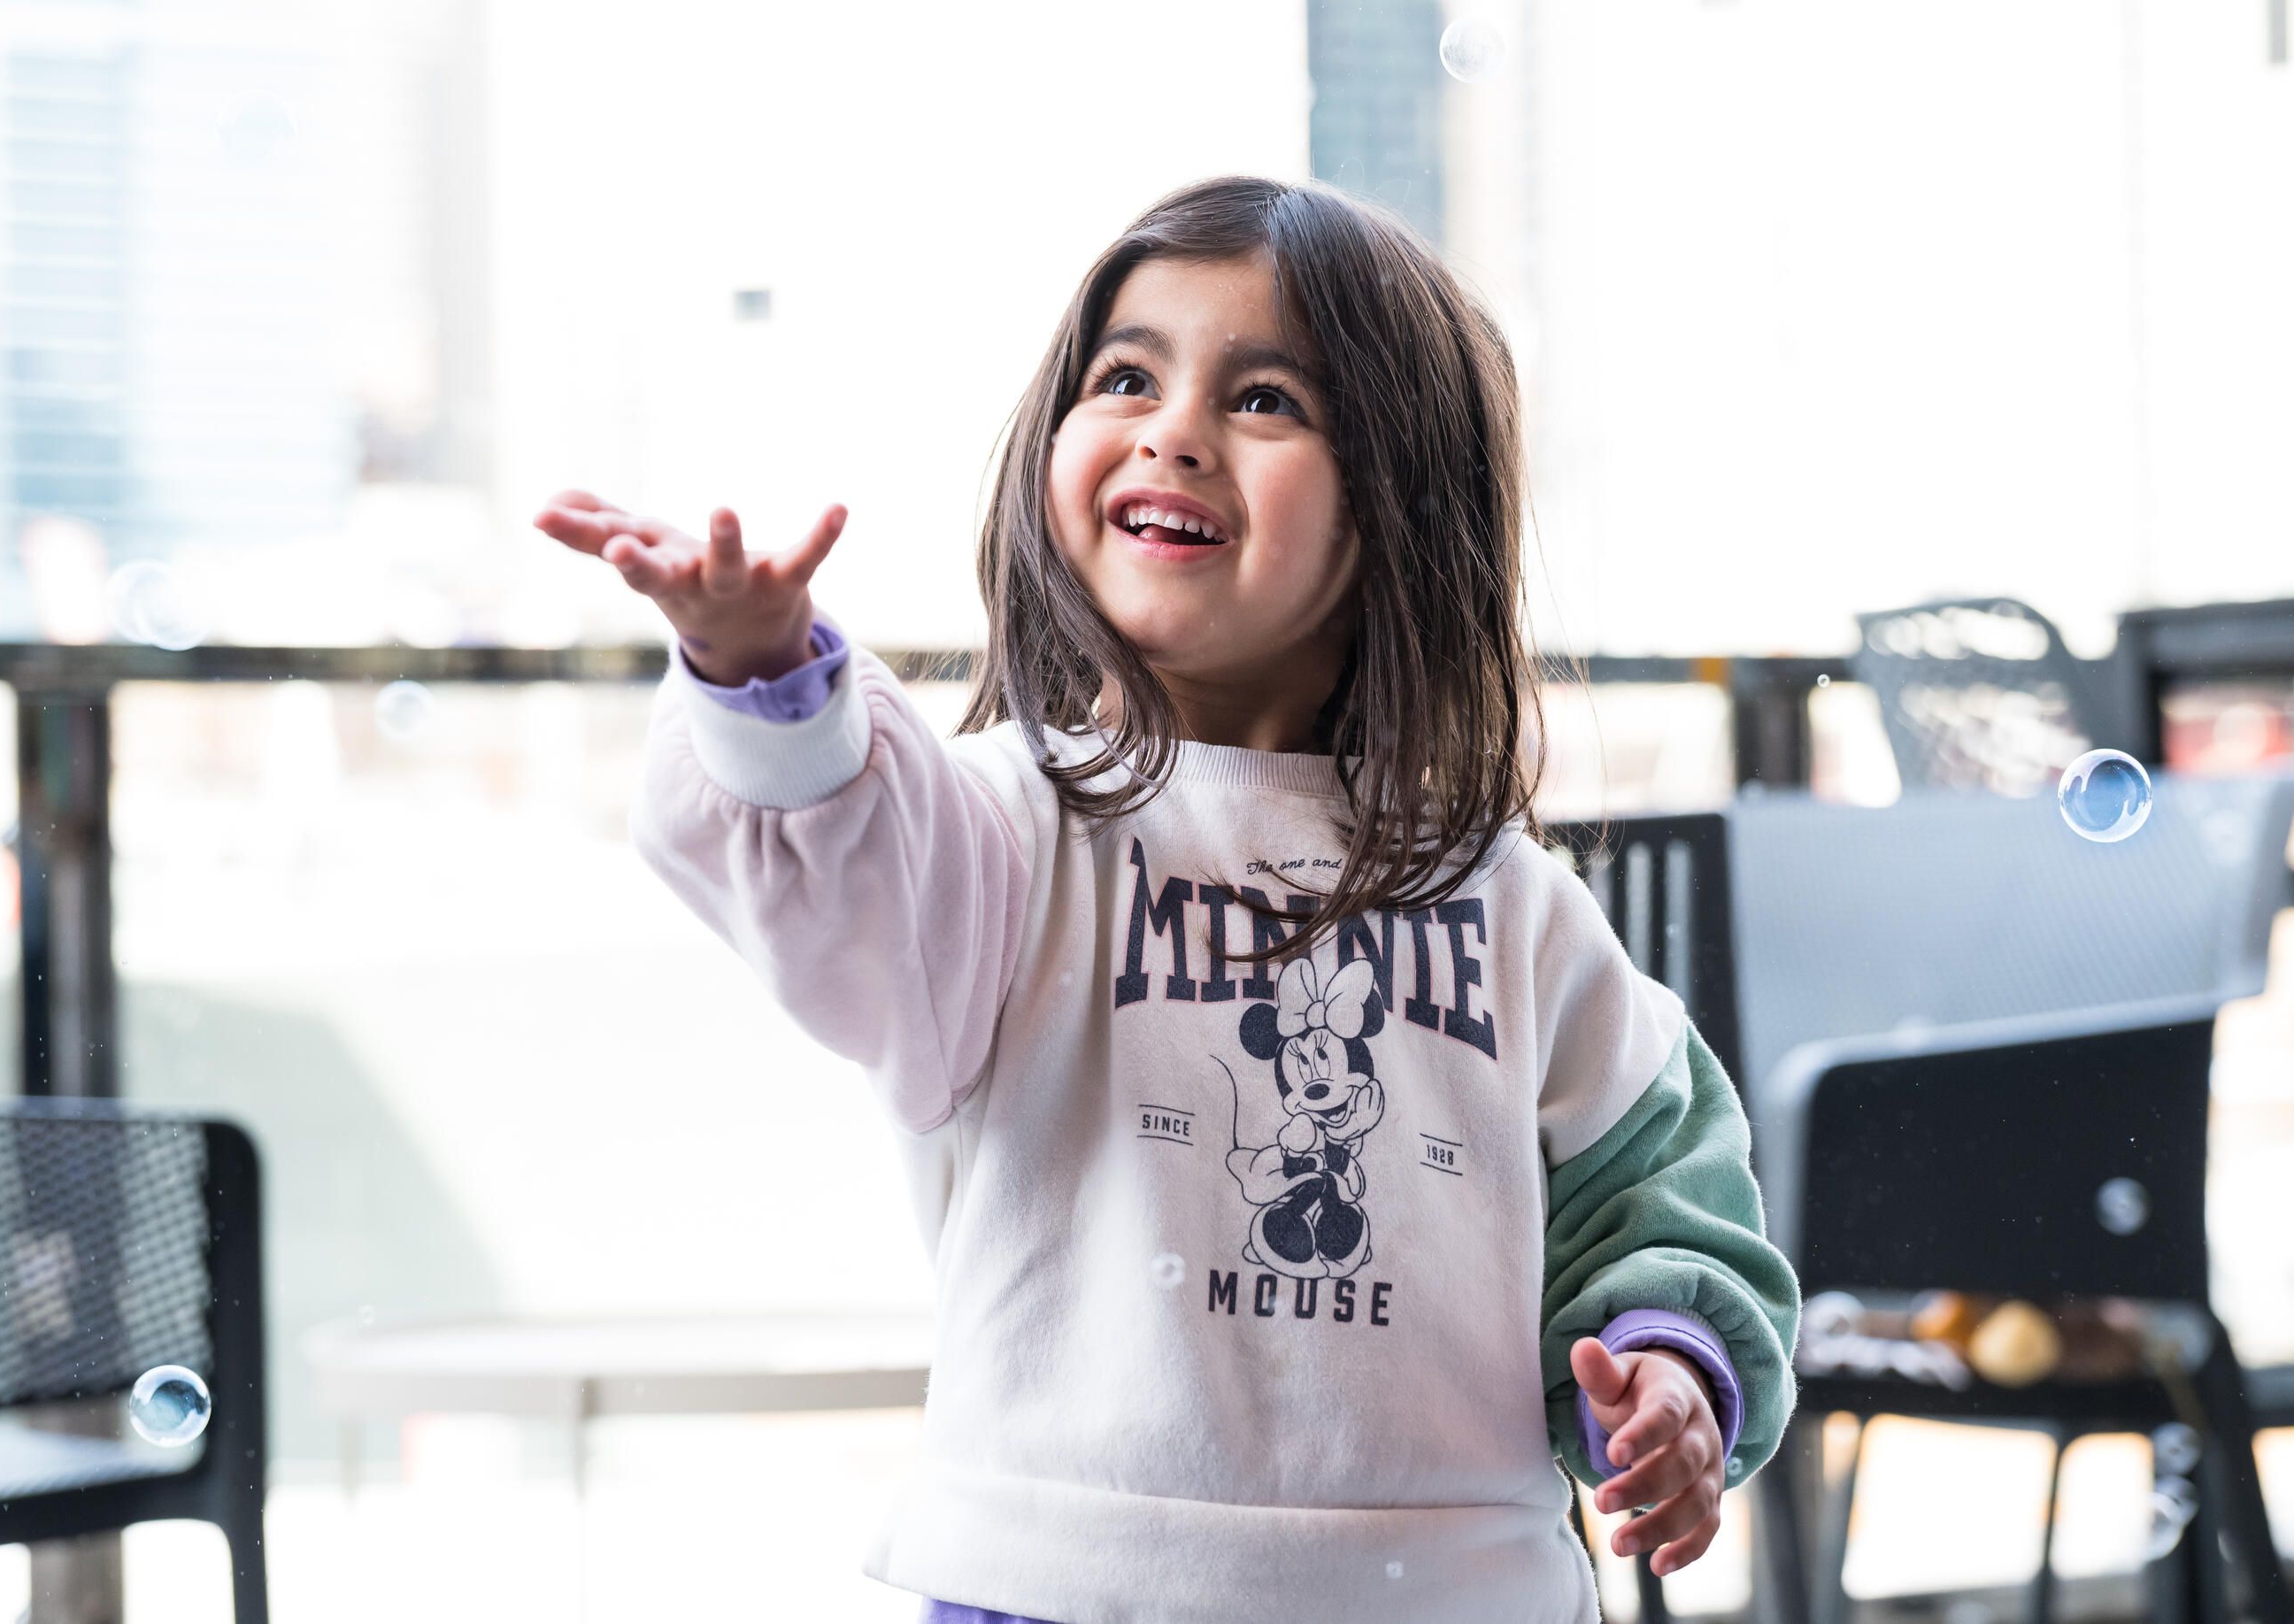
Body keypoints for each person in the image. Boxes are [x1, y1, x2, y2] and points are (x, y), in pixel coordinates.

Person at [535, 176, 1800, 1624]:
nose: (1174, 429)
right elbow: (838, 865)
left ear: (1402, 504)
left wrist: (1668, 1368)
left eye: (1266, 400)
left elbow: (1662, 1194)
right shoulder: (1007, 827)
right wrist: (767, 675)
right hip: (1060, 1583)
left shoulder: (1514, 901)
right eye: (1125, 376)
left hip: (1450, 1593)